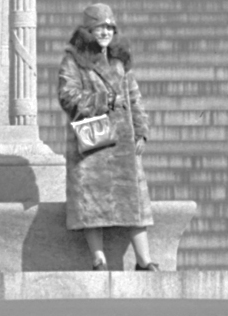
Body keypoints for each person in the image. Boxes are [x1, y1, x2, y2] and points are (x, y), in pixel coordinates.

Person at [58, 3, 158, 271]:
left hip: (125, 144)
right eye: (100, 26)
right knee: (92, 202)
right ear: (88, 29)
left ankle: (144, 260)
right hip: (95, 142)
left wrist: (142, 131)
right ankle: (98, 259)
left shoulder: (120, 59)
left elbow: (135, 99)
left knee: (134, 203)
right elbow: (67, 97)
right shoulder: (74, 60)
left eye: (109, 26)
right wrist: (104, 99)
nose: (105, 31)